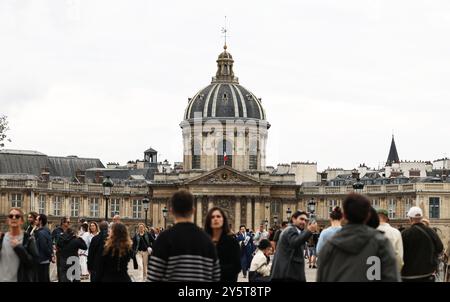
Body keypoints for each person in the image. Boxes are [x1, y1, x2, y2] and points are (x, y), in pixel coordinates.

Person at [317, 193, 400, 282]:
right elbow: (392, 277)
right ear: (368, 215)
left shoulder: (329, 246)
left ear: (344, 215)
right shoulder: (381, 243)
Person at [147, 189, 220, 281]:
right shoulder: (207, 240)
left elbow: (153, 277)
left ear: (171, 210)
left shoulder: (164, 238)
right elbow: (216, 277)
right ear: (193, 210)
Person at [271, 211, 317, 282]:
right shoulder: (290, 230)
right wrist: (309, 231)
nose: (304, 222)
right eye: (301, 219)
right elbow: (295, 242)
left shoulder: (294, 231)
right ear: (293, 219)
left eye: (305, 220)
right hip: (288, 274)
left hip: (288, 273)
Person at [401, 206, 444, 282]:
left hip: (408, 276)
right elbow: (440, 248)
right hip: (427, 274)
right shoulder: (431, 232)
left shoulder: (404, 233)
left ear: (410, 218)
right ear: (421, 218)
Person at [0, 208, 39, 282]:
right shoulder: (2, 238)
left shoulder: (28, 239)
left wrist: (20, 248)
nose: (14, 218)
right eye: (11, 216)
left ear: (22, 221)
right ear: (7, 220)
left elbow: (34, 263)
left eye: (17, 216)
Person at [204, 207, 241, 281]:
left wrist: (214, 269)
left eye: (218, 216)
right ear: (208, 221)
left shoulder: (232, 242)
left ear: (223, 220)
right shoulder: (203, 242)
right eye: (212, 217)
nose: (215, 219)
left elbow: (237, 267)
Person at [34, 214, 53, 282]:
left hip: (41, 260)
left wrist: (50, 255)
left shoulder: (41, 233)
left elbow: (44, 246)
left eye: (36, 220)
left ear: (40, 221)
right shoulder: (46, 230)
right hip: (45, 260)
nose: (35, 221)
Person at [52, 217, 70, 282]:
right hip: (59, 252)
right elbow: (51, 239)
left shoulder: (69, 230)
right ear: (63, 222)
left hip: (68, 252)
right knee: (60, 268)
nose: (69, 224)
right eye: (67, 222)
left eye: (69, 222)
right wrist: (53, 246)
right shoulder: (56, 230)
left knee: (67, 268)